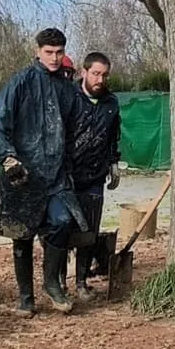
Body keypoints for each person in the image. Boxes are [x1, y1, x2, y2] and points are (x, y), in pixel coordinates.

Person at [0, 27, 83, 316]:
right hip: (23, 173)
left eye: (59, 52)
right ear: (38, 51)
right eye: (49, 52)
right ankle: (25, 297)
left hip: (55, 176)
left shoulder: (67, 89)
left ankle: (51, 282)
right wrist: (8, 158)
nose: (54, 58)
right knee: (22, 233)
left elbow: (75, 131)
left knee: (63, 221)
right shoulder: (20, 82)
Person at [69, 51, 123, 298]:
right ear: (84, 72)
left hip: (94, 176)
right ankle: (58, 282)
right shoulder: (69, 97)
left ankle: (81, 282)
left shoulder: (110, 103)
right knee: (61, 229)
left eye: (104, 75)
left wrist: (113, 163)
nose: (100, 79)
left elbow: (113, 136)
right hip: (67, 177)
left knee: (89, 231)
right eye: (96, 74)